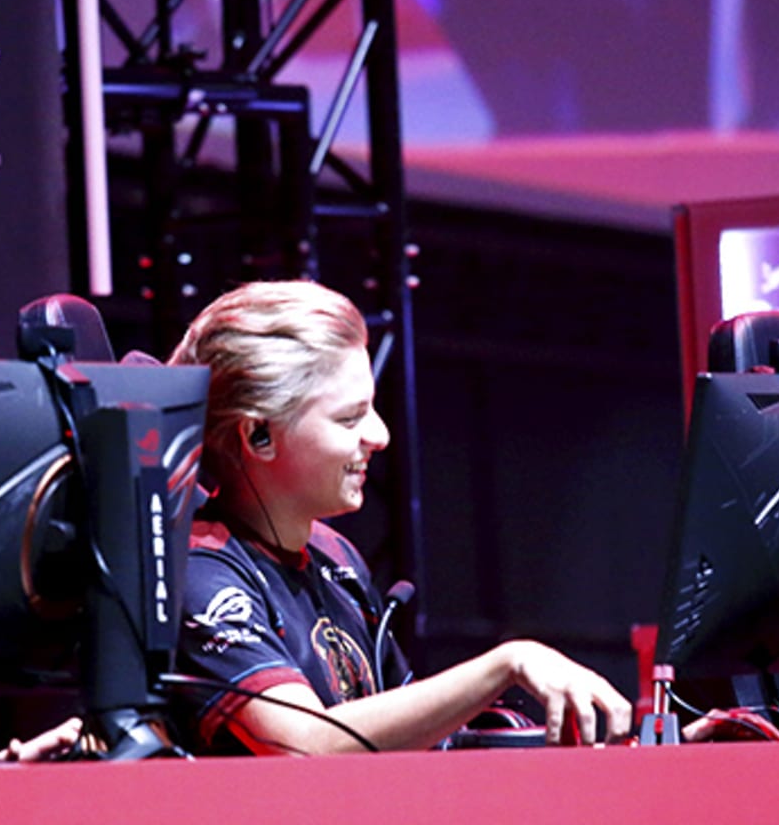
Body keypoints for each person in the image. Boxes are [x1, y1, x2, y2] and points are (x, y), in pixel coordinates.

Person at [157, 280, 630, 755]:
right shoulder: (198, 572)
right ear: (258, 435)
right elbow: (304, 746)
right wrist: (507, 663)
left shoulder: (334, 555)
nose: (380, 435)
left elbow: (408, 740)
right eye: (349, 418)